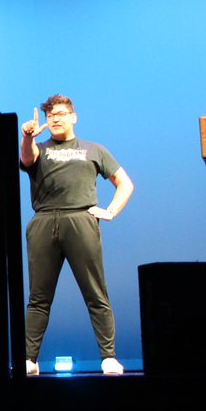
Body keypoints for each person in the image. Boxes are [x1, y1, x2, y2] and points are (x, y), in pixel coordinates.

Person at [20, 95, 133, 376]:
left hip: (81, 219)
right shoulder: (39, 149)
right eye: (50, 116)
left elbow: (125, 183)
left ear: (73, 116)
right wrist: (27, 137)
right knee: (38, 296)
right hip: (44, 221)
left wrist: (111, 211)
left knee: (95, 292)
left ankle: (108, 357)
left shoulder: (93, 149)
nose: (55, 119)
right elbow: (26, 158)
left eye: (60, 113)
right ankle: (29, 360)